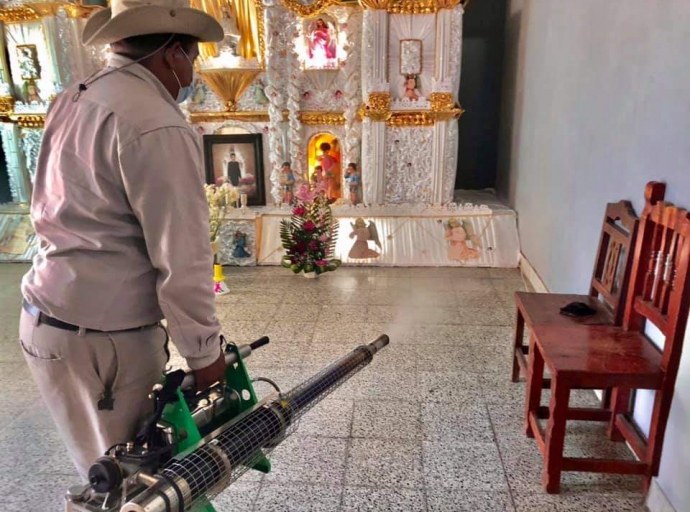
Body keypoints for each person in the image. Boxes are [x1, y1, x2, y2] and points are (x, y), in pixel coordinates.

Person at [19, 0, 226, 479]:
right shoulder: (156, 120)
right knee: (131, 484)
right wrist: (205, 353)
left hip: (48, 319)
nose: (191, 72)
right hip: (106, 342)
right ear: (173, 53)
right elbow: (183, 254)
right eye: (192, 59)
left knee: (95, 470)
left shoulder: (75, 95)